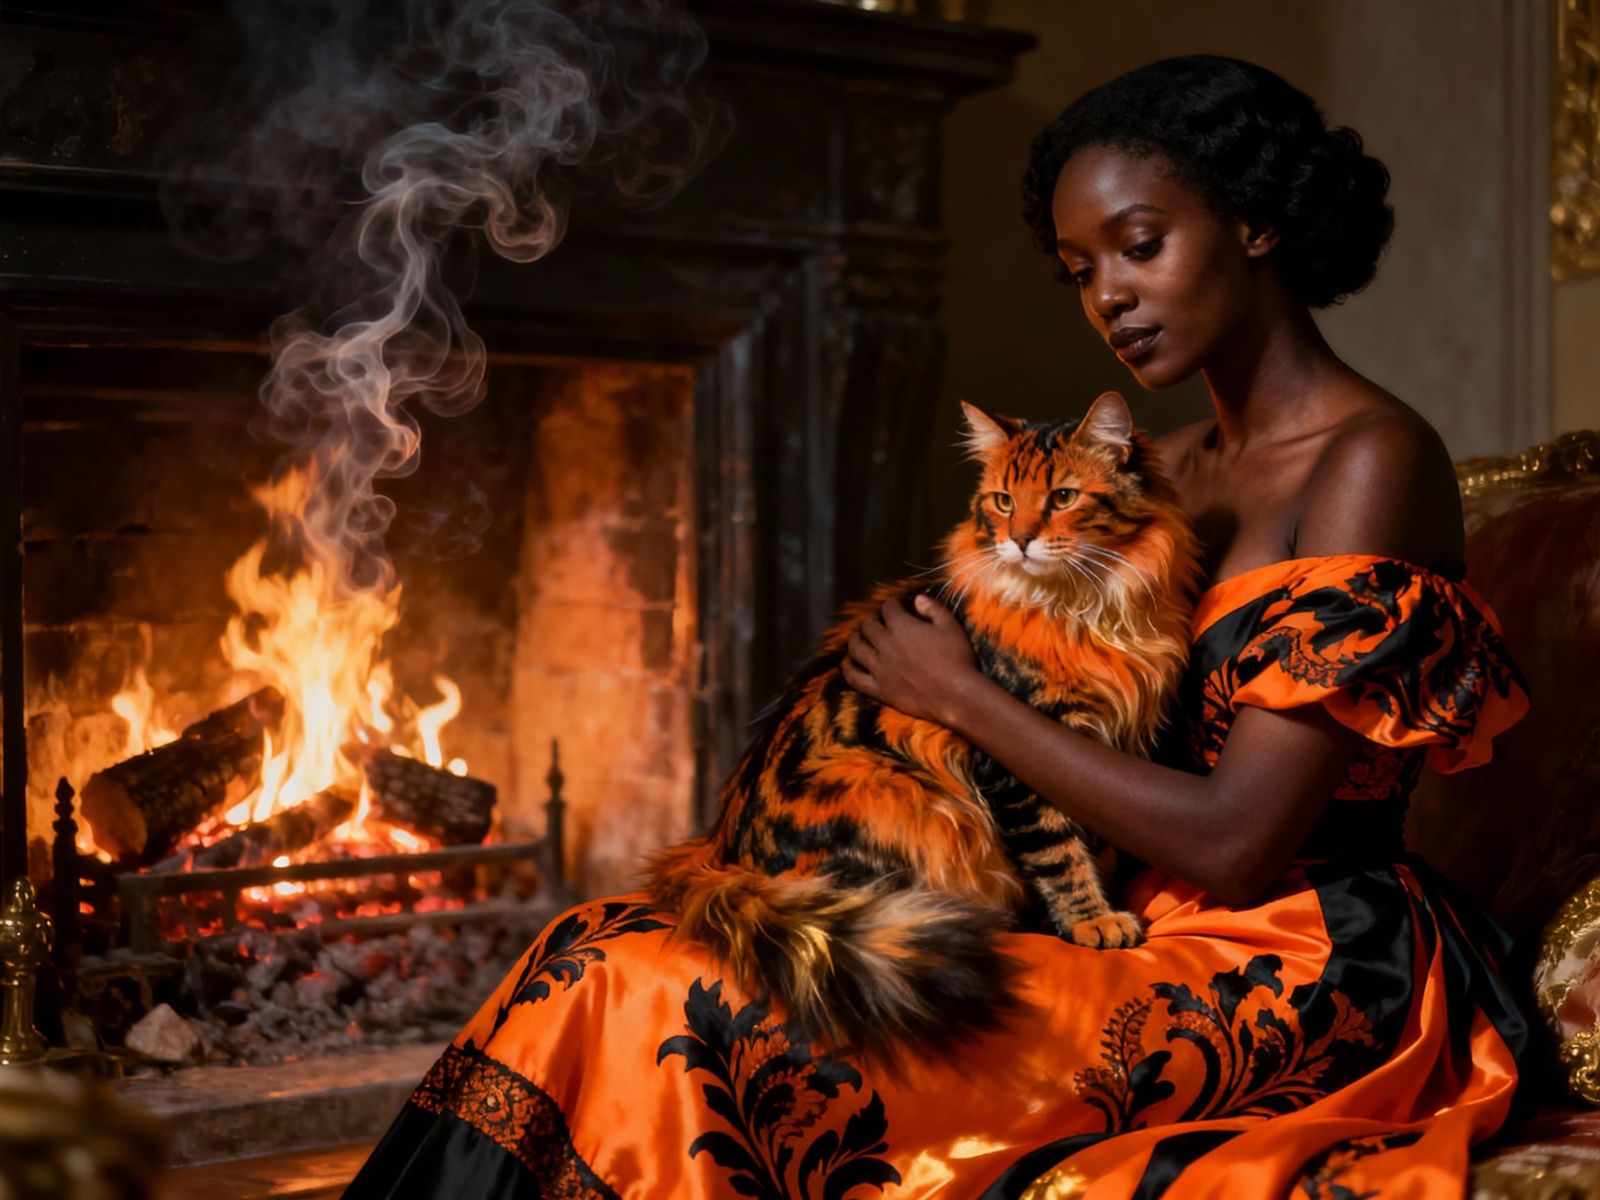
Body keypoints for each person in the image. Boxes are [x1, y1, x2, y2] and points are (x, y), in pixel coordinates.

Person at [345, 55, 1529, 1200]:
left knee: (676, 1006)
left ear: (1256, 225)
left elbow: (1235, 845)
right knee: (608, 945)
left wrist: (961, 695)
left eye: (1140, 244)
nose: (1106, 294)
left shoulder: (1371, 458)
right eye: (1077, 267)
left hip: (1302, 959)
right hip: (1114, 910)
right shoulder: (1152, 470)